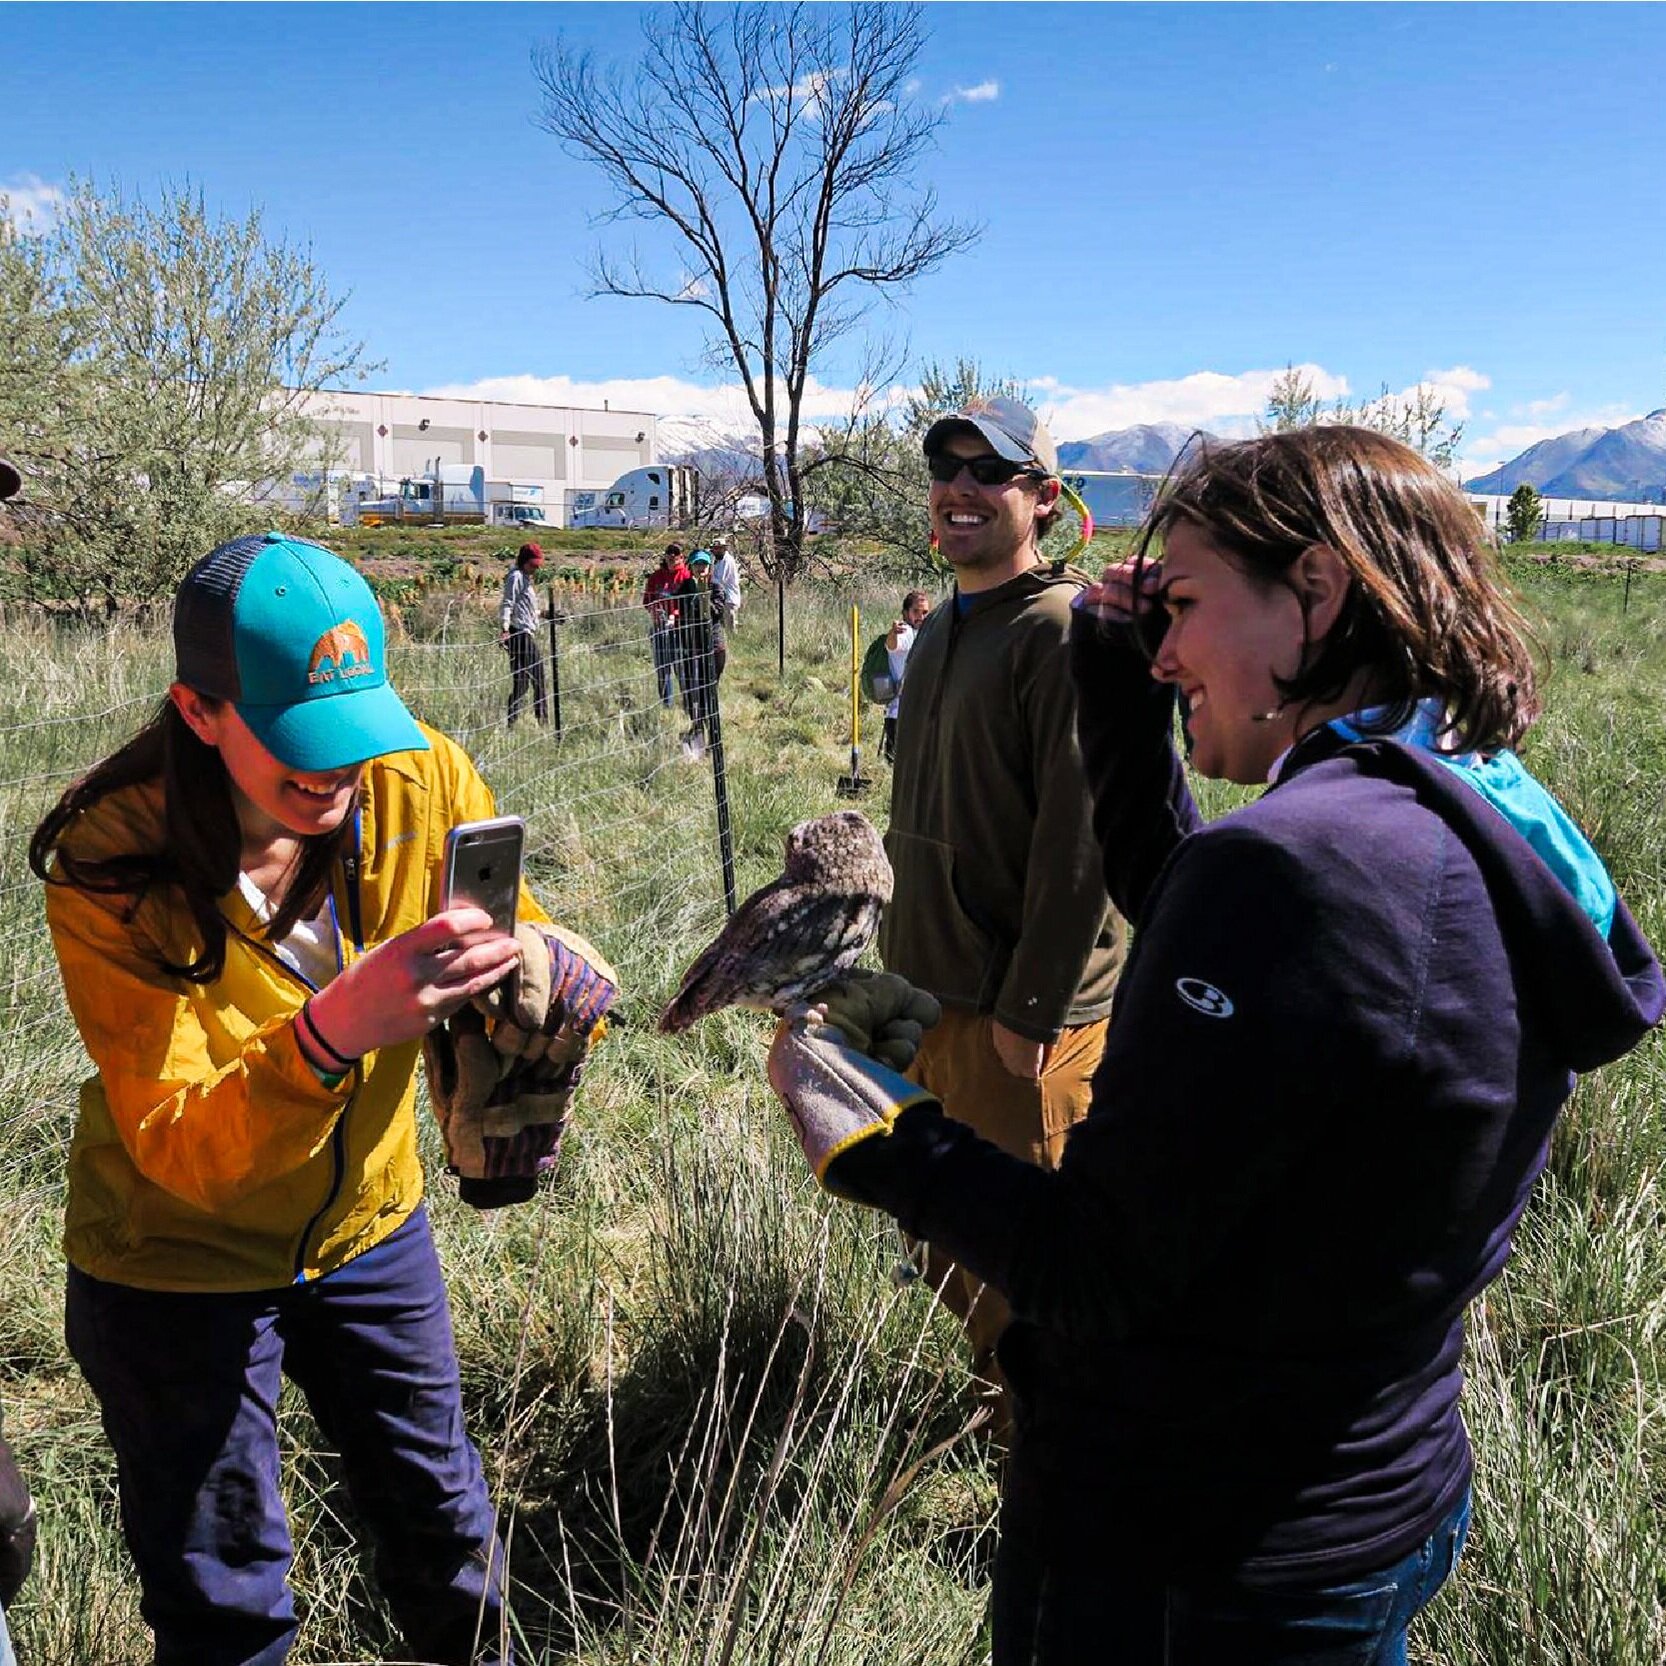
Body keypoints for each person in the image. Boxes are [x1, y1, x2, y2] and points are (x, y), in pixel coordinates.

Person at [764, 426, 1663, 1663]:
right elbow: (1183, 892)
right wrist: (1115, 668)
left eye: (1182, 607)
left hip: (1194, 1552)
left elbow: (1094, 1274)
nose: (1167, 643)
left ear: (1316, 591)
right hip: (1371, 1486)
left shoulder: (1297, 867)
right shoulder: (1453, 807)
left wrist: (872, 1133)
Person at [31, 531, 617, 1666]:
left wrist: (528, 963)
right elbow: (181, 1142)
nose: (338, 775)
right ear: (198, 713)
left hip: (369, 1225)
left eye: (354, 732)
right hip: (174, 1265)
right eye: (302, 744)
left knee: (450, 1539)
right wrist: (335, 1028)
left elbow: (503, 917)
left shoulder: (418, 773)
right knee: (226, 1601)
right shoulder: (111, 864)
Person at [880, 395, 1123, 1429]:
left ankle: (1058, 1485)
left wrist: (1033, 1010)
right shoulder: (942, 626)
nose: (962, 490)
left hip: (1023, 1021)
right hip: (931, 1000)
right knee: (946, 1242)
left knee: (1037, 1273)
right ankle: (1010, 1416)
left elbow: (1084, 844)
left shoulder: (1060, 631)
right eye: (948, 468)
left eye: (992, 473)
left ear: (1043, 499)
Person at [673, 548, 726, 750]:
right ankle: (696, 728)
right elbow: (678, 607)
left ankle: (712, 737)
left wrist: (703, 597)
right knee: (690, 691)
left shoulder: (715, 587)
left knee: (708, 691)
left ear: (709, 566)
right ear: (691, 567)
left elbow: (716, 612)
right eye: (697, 564)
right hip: (690, 646)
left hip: (713, 647)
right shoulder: (686, 586)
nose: (701, 568)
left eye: (704, 564)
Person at [499, 541, 548, 727]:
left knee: (522, 682)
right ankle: (543, 721)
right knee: (538, 677)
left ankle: (511, 722)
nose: (536, 568)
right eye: (533, 565)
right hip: (518, 634)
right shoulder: (516, 577)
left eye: (538, 565)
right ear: (524, 561)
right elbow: (507, 603)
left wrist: (544, 614)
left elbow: (524, 609)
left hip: (522, 631)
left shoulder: (525, 578)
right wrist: (504, 629)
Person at [879, 589, 930, 764]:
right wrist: (893, 633)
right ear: (905, 613)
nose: (921, 617)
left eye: (925, 612)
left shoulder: (924, 634)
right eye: (916, 611)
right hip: (900, 715)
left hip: (919, 712)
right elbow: (892, 645)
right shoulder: (905, 632)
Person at [643, 542, 690, 709]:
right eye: (669, 553)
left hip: (679, 630)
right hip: (659, 629)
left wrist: (675, 615)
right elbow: (647, 601)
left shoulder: (687, 577)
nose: (672, 557)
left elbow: (691, 604)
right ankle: (666, 706)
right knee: (663, 669)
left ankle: (688, 704)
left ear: (682, 557)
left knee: (682, 669)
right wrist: (654, 611)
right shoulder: (655, 577)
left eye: (676, 554)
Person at [707, 536, 743, 632]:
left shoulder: (727, 560)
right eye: (715, 548)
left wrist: (707, 579)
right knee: (722, 625)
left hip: (729, 597)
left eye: (720, 548)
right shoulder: (716, 560)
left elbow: (720, 580)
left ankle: (735, 642)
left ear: (724, 548)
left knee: (730, 625)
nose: (717, 550)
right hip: (721, 597)